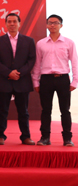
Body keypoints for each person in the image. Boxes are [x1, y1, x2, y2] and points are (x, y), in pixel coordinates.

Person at [0, 13, 37, 145]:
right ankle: (0, 135)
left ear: (19, 23)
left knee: (23, 111)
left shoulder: (28, 41)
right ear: (5, 24)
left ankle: (26, 136)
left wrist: (19, 73)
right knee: (2, 110)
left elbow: (31, 60)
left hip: (22, 81)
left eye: (14, 21)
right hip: (4, 80)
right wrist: (8, 73)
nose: (12, 24)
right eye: (9, 21)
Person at [32, 14, 76, 147]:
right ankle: (45, 137)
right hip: (46, 79)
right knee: (46, 110)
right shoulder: (41, 43)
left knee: (65, 110)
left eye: (56, 23)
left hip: (63, 79)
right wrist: (35, 81)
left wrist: (75, 81)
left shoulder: (69, 42)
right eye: (50, 23)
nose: (52, 25)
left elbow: (74, 62)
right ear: (46, 25)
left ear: (61, 25)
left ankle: (67, 138)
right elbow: (37, 63)